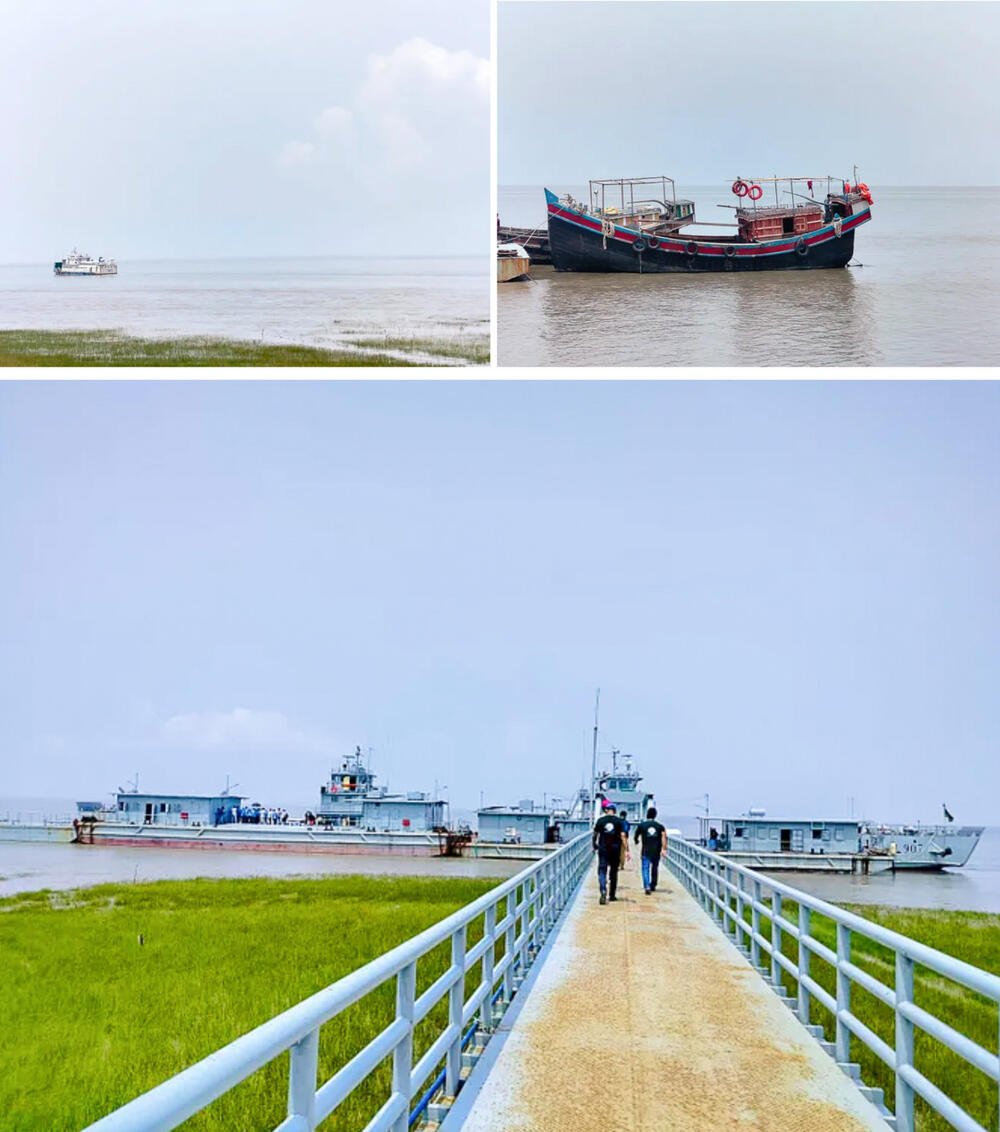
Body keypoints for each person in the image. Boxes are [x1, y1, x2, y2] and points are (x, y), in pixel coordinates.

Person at [592, 799, 629, 904]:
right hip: (615, 850)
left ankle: (603, 890)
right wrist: (627, 850)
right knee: (613, 872)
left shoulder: (601, 821)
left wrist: (594, 844)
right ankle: (612, 895)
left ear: (606, 810)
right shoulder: (619, 822)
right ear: (615, 811)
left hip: (603, 848)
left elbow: (595, 834)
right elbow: (623, 836)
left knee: (602, 870)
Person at [633, 806, 667, 895]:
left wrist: (636, 840)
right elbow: (664, 837)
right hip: (656, 850)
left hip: (646, 850)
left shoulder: (642, 825)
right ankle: (653, 885)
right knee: (655, 868)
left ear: (647, 815)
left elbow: (636, 835)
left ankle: (647, 885)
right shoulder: (660, 826)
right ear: (655, 815)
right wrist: (664, 849)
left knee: (645, 868)